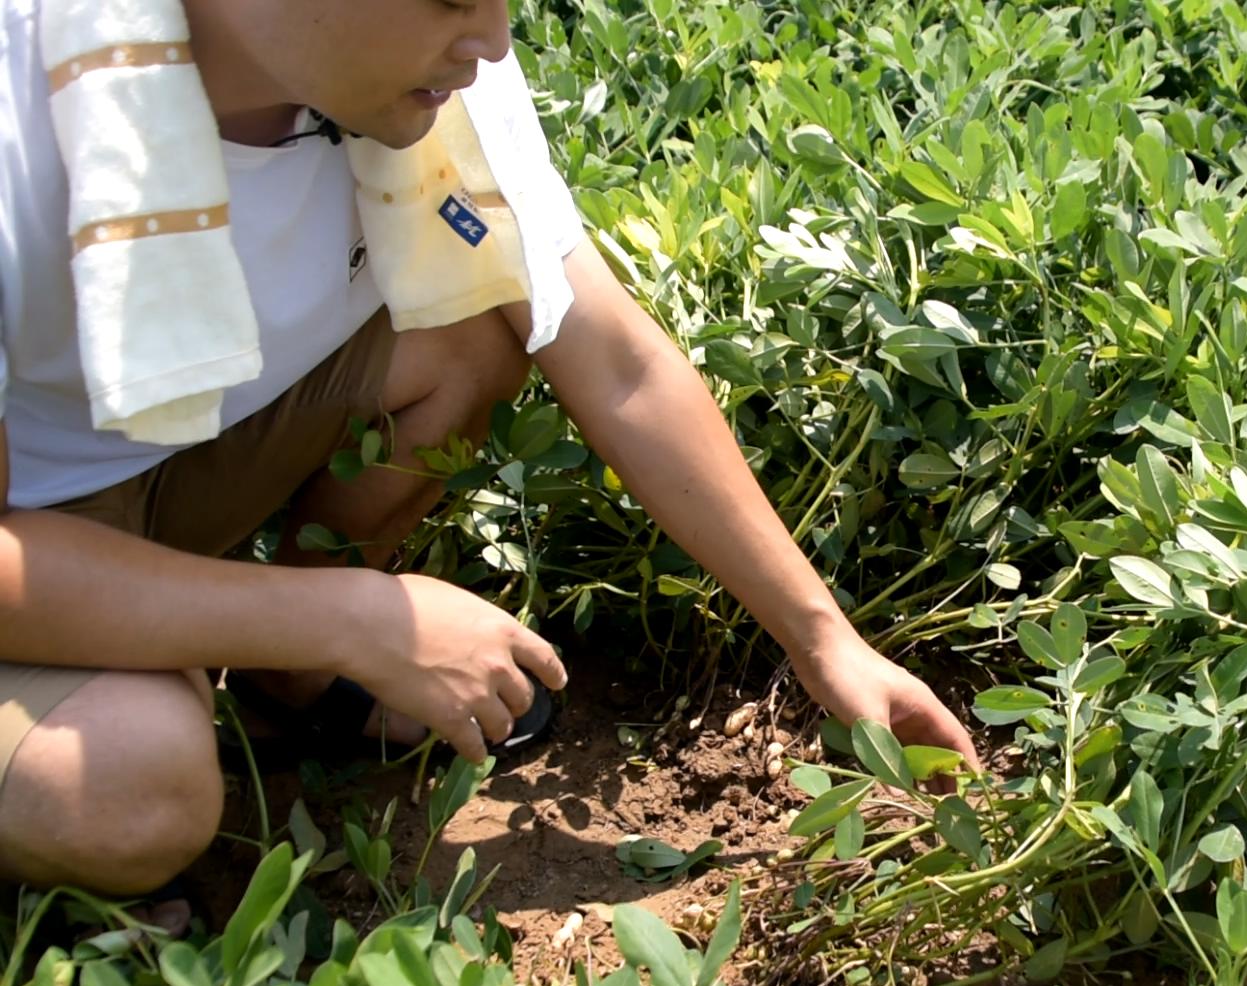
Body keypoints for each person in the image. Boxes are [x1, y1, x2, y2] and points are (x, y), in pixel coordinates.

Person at [0, 0, 981, 932]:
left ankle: (280, 673)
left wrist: (825, 644)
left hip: (166, 460)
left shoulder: (431, 80)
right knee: (136, 783)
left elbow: (619, 363)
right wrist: (355, 617)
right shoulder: (21, 97)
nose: (492, 40)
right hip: (27, 544)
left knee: (477, 317)